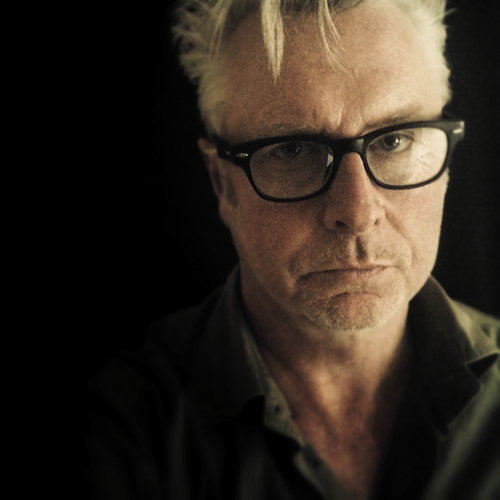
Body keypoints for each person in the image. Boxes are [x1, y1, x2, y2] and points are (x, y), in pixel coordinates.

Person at [81, 1, 500, 499]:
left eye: (394, 141)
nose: (357, 211)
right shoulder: (122, 436)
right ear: (221, 183)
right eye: (293, 150)